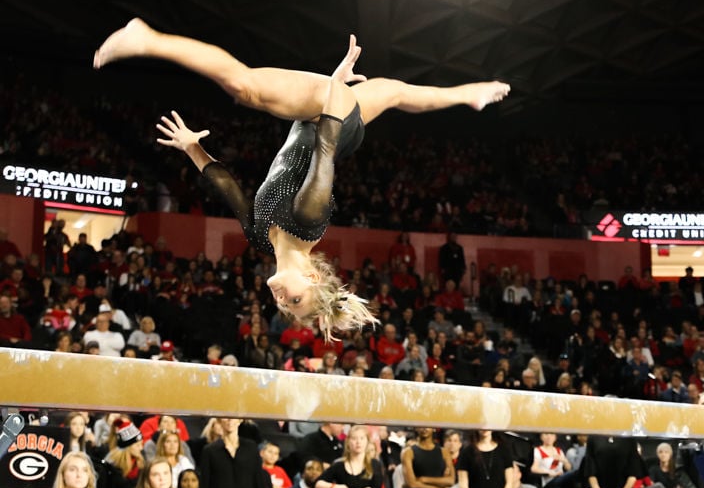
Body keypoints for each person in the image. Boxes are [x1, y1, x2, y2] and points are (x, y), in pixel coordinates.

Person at [96, 19, 508, 338]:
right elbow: (325, 147)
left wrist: (191, 148)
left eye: (285, 307)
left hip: (334, 120)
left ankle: (468, 93)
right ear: (312, 277)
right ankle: (146, 38)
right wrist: (333, 87)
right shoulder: (307, 219)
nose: (282, 300)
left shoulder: (263, 238)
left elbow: (228, 188)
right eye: (295, 300)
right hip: (328, 120)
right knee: (246, 88)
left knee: (399, 93)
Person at [99, 419, 145, 488]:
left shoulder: (141, 464)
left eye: (141, 444)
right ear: (127, 447)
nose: (141, 448)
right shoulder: (110, 466)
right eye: (137, 445)